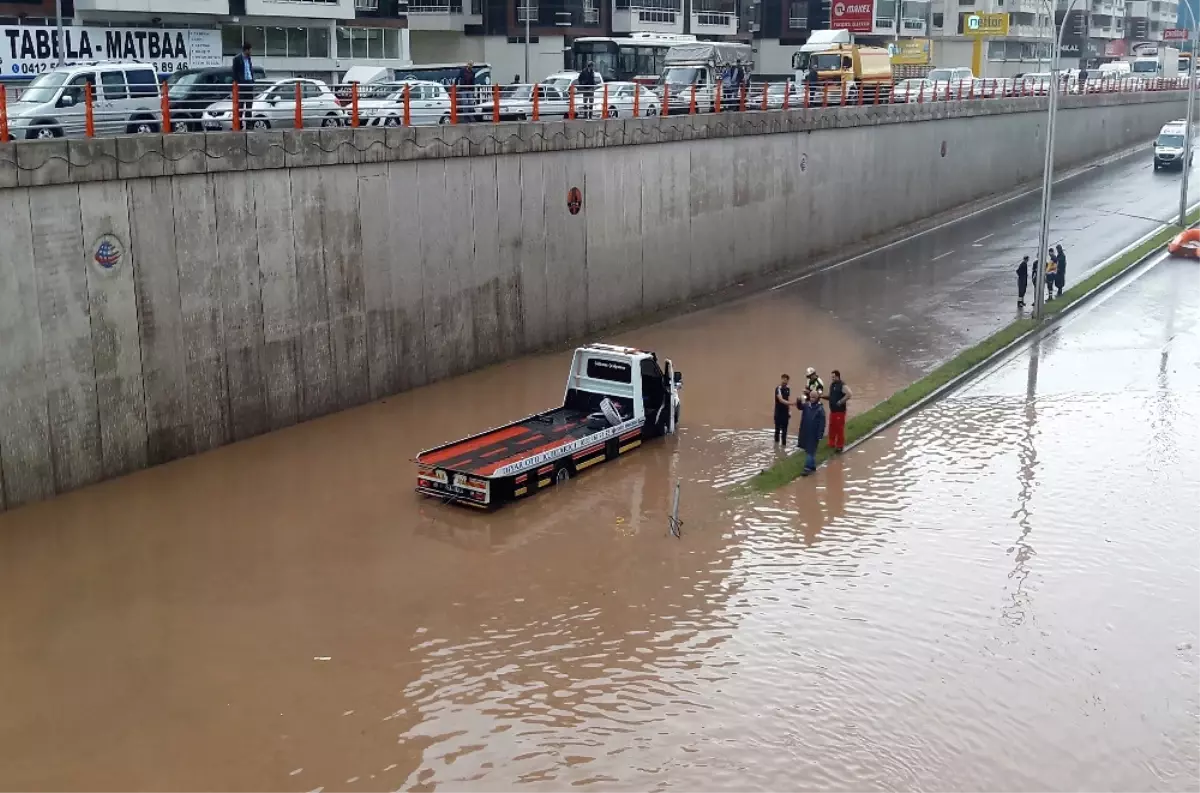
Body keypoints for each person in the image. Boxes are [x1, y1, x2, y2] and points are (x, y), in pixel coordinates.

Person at [797, 389, 826, 476]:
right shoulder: (807, 405)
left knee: (810, 450)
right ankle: (812, 466)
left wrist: (820, 434)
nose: (812, 399)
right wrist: (798, 401)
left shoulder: (820, 409)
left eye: (814, 397)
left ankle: (807, 468)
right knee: (809, 450)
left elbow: (822, 423)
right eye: (811, 397)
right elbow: (800, 407)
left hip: (814, 433)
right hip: (806, 431)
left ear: (817, 398)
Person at [824, 370, 851, 453]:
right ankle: (831, 443)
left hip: (840, 411)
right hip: (833, 411)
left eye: (833, 377)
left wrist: (841, 401)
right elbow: (830, 396)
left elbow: (849, 394)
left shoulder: (842, 385)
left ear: (838, 376)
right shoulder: (832, 385)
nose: (832, 378)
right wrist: (821, 396)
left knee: (839, 428)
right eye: (831, 377)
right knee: (832, 427)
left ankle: (840, 446)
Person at [231, 42, 255, 128]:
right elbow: (234, 73)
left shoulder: (249, 58)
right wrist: (238, 83)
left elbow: (249, 70)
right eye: (250, 50)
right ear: (246, 50)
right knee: (240, 106)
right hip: (242, 85)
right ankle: (239, 124)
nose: (251, 52)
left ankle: (249, 124)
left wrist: (252, 80)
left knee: (249, 106)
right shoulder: (237, 59)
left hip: (249, 84)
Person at [773, 374, 792, 444]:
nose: (785, 381)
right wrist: (791, 403)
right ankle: (776, 446)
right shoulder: (778, 388)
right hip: (778, 412)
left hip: (785, 413)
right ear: (781, 379)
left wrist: (789, 410)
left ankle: (784, 446)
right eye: (784, 379)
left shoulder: (788, 389)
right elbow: (780, 399)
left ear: (788, 381)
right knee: (777, 431)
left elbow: (788, 398)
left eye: (786, 380)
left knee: (785, 431)